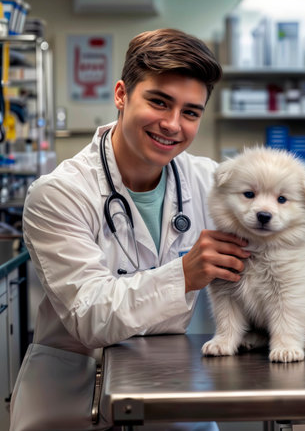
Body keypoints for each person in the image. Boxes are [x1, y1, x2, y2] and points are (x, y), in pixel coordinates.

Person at [10, 28, 251, 431]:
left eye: (190, 112)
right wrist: (185, 274)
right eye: (159, 102)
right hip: (73, 401)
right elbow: (90, 317)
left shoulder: (212, 184)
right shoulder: (59, 194)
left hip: (173, 393)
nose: (173, 124)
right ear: (122, 95)